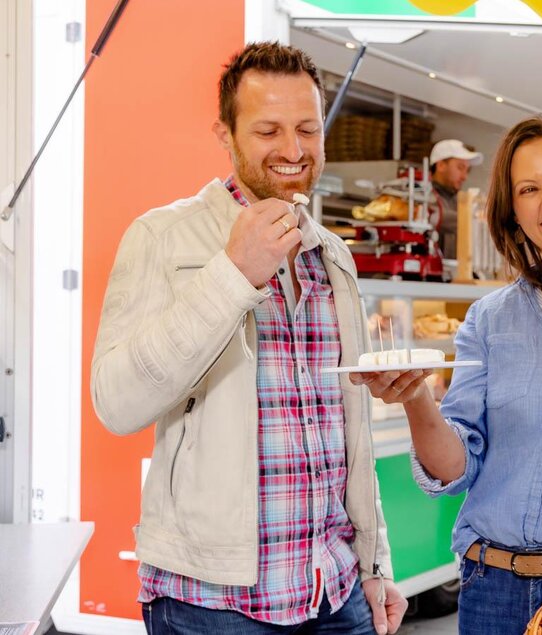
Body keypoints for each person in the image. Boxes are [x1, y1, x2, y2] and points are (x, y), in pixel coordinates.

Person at [90, 42, 407, 634]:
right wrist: (234, 274)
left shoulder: (332, 256)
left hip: (336, 593)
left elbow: (349, 434)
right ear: (225, 134)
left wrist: (374, 564)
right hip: (211, 603)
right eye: (268, 130)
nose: (293, 150)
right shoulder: (163, 237)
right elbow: (117, 403)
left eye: (307, 129)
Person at [350, 114, 542, 633]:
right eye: (529, 189)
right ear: (512, 211)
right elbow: (454, 468)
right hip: (493, 589)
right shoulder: (489, 319)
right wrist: (416, 396)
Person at [429, 138, 484, 258]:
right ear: (441, 165)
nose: (464, 177)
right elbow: (435, 216)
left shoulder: (459, 201)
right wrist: (478, 218)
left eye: (467, 170)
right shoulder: (422, 195)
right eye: (460, 167)